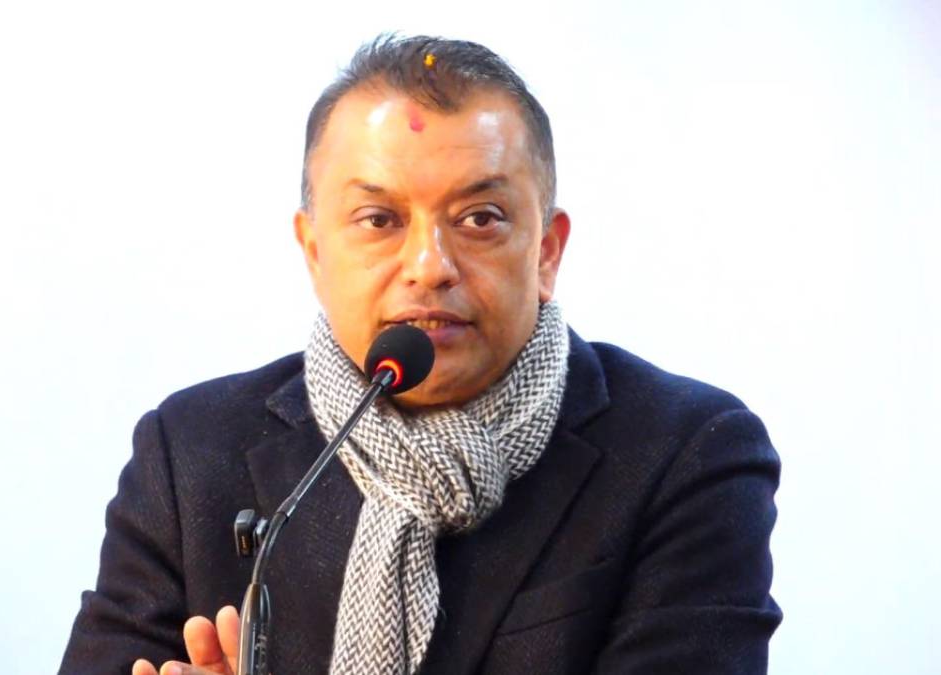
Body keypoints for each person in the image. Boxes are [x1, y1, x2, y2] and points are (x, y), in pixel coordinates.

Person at [58, 34, 782, 675]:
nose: (430, 265)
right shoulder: (189, 452)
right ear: (314, 251)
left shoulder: (686, 452)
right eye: (379, 219)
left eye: (480, 218)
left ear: (547, 251)